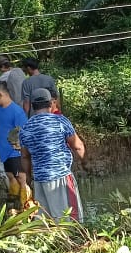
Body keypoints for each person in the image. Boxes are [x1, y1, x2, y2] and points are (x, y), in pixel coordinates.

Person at [19, 89, 87, 221]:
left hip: (39, 181)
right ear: (51, 103)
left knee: (45, 222)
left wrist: (29, 178)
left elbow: (25, 157)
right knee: (71, 220)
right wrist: (85, 163)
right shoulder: (60, 121)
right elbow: (78, 146)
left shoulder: (25, 128)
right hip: (61, 178)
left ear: (32, 106)